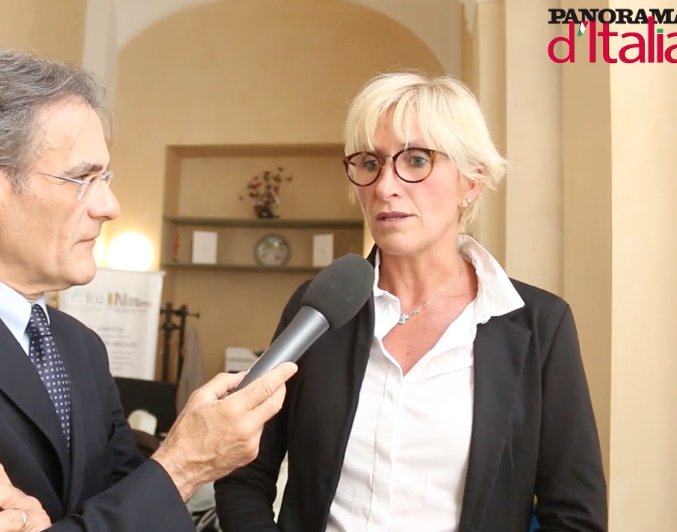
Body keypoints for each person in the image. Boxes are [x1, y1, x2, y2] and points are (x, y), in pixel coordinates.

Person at [0, 49, 297, 532]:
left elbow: (135, 505)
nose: (110, 206)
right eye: (83, 178)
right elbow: (141, 502)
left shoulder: (80, 346)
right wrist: (183, 465)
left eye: (105, 178)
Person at [214, 72, 608, 532]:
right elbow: (242, 473)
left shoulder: (539, 324)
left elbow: (573, 515)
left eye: (417, 160)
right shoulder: (319, 308)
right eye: (369, 163)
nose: (385, 187)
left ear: (471, 181)